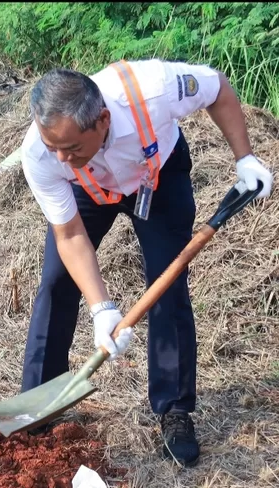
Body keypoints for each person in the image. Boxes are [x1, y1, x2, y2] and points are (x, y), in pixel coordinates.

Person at [19, 59, 273, 467]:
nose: (62, 158)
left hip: (157, 175)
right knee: (56, 281)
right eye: (55, 149)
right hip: (92, 189)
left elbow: (219, 87)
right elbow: (69, 236)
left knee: (167, 285)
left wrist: (244, 159)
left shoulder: (155, 89)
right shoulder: (41, 153)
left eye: (72, 148)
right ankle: (40, 401)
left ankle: (174, 409)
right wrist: (102, 308)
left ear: (102, 120)